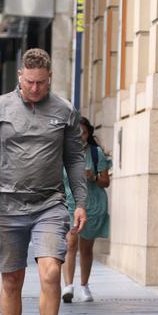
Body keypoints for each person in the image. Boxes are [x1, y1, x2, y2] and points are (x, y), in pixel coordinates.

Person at [0, 48, 88, 315]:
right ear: (20, 77)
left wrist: (80, 201)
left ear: (49, 78)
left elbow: (75, 161)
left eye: (41, 83)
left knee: (51, 272)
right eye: (29, 82)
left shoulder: (64, 110)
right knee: (12, 279)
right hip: (7, 204)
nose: (35, 89)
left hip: (49, 203)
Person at [62, 117, 112, 304]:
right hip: (69, 203)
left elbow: (105, 182)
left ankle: (84, 285)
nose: (79, 135)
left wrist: (93, 177)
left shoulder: (95, 152)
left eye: (82, 132)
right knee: (70, 244)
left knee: (86, 248)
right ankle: (68, 286)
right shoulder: (62, 153)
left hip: (92, 205)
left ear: (88, 133)